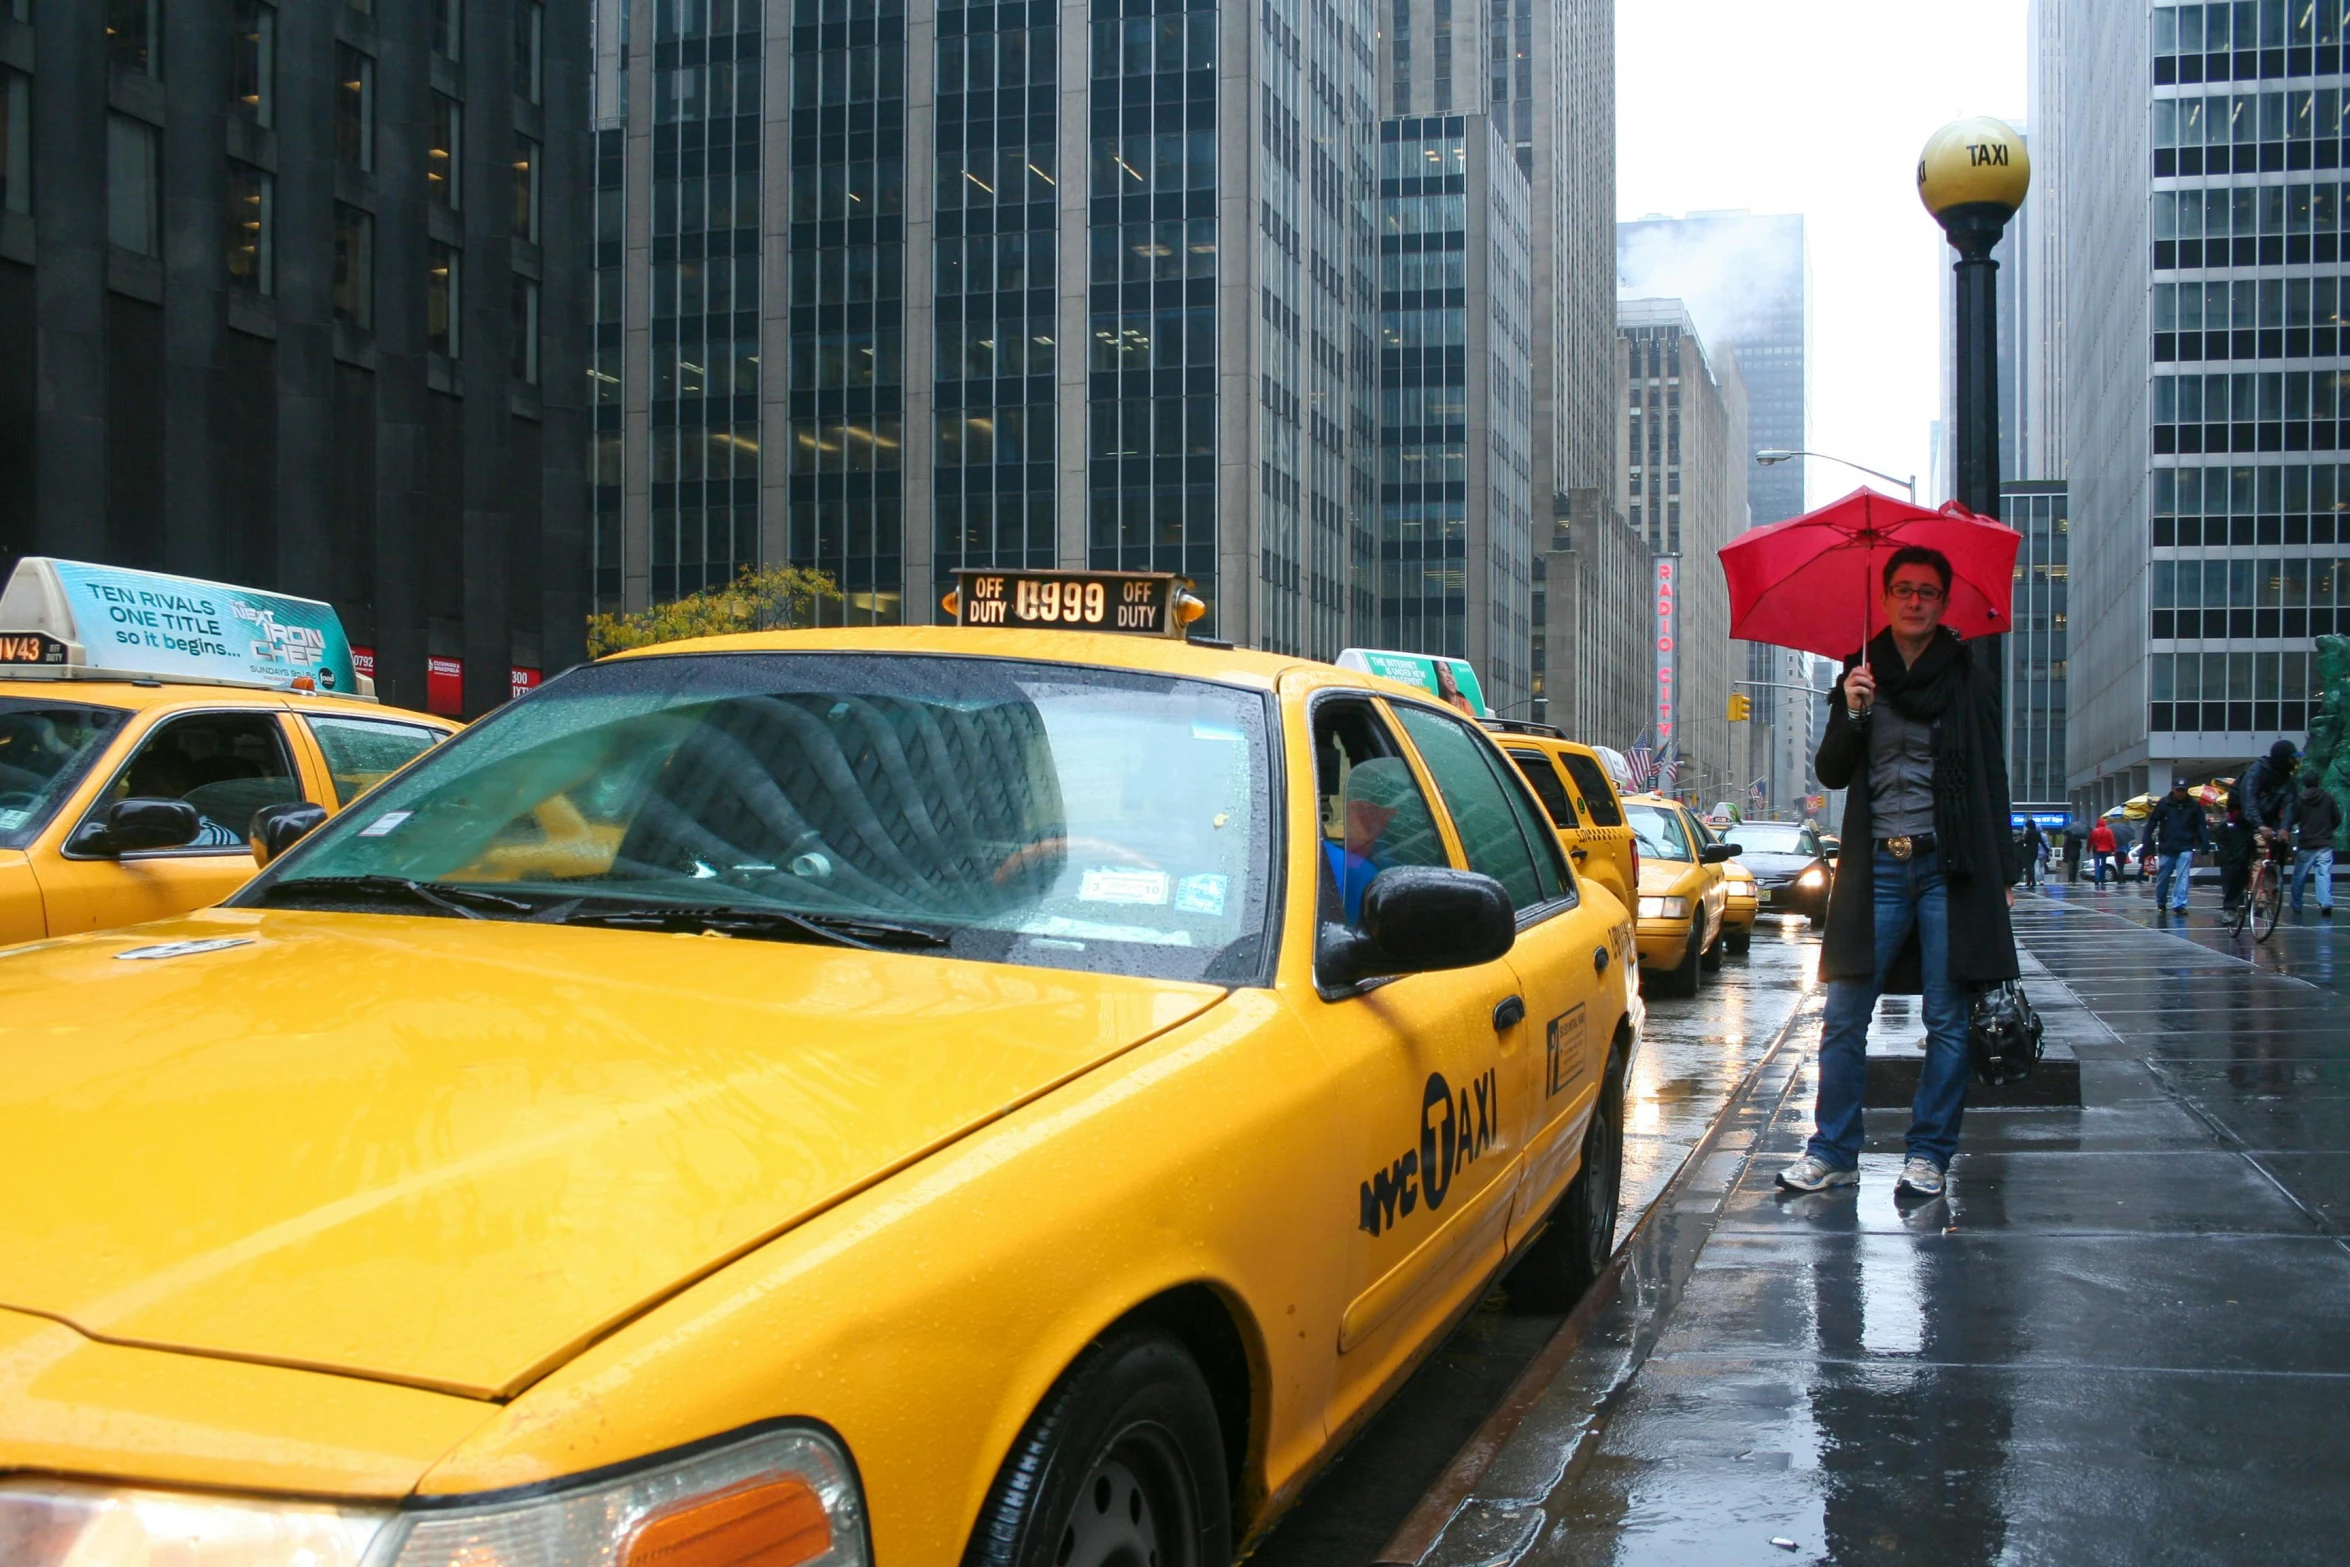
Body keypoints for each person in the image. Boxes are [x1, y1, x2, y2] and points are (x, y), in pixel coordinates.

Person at [1778, 546, 2019, 1202]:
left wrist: (2005, 870)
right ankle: (1833, 1150)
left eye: (1928, 592)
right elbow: (1830, 771)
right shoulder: (1860, 676)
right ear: (1884, 599)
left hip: (1952, 866)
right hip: (1877, 867)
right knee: (1844, 1014)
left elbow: (1992, 776)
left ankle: (1929, 1154)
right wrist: (1852, 710)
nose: (1915, 602)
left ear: (1943, 604)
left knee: (1946, 1018)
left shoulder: (1969, 679)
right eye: (1904, 590)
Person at [2146, 776, 2211, 917]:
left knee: (2183, 877)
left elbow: (2201, 825)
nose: (2181, 793)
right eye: (2178, 790)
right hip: (2167, 847)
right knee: (2163, 877)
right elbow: (2153, 822)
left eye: (2183, 790)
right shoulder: (2164, 804)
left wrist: (2205, 842)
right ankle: (2161, 902)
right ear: (2173, 789)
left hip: (2185, 845)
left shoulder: (2194, 805)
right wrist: (2147, 840)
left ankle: (2179, 904)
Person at [2292, 770, 2339, 917]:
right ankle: (2325, 903)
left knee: (2299, 876)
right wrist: (2328, 830)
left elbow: (2294, 818)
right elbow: (2337, 818)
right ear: (2318, 781)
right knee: (2323, 874)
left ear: (2304, 783)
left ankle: (2297, 903)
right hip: (2324, 842)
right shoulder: (2328, 798)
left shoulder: (2299, 799)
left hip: (2306, 842)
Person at [2215, 800, 2258, 917]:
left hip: (2241, 845)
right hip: (2231, 854)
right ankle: (2232, 904)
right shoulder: (2226, 825)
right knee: (2236, 870)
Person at [2089, 816, 2118, 886]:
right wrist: (2114, 849)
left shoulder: (2094, 831)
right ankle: (2102, 879)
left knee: (2097, 864)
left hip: (2097, 850)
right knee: (2104, 864)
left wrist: (2088, 848)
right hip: (2106, 850)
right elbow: (2112, 841)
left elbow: (2090, 841)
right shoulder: (2109, 831)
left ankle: (2097, 879)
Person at [2019, 817, 2045, 889]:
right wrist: (2047, 850)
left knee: (2029, 866)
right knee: (2031, 865)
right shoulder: (2037, 833)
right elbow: (2041, 842)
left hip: (2028, 851)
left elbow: (2025, 841)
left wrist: (2022, 839)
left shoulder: (2028, 832)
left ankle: (2032, 881)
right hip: (2035, 851)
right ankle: (2030, 881)